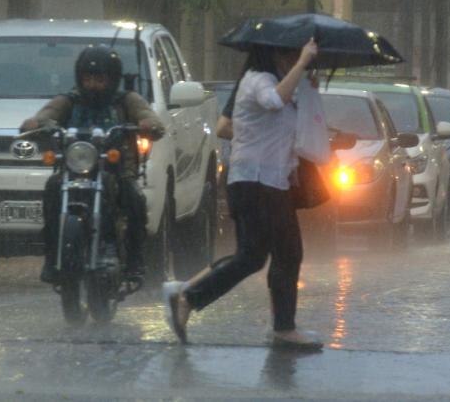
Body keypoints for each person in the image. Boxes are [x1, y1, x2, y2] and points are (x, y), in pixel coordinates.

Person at [163, 38, 323, 350]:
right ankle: (191, 299)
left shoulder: (282, 85)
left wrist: (309, 83)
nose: (293, 58)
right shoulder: (256, 80)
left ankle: (191, 299)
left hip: (273, 183)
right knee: (268, 255)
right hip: (254, 183)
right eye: (289, 51)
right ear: (273, 51)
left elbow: (288, 131)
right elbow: (273, 102)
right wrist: (303, 63)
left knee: (266, 256)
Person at [20, 45, 164, 283]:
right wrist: (35, 124)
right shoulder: (69, 100)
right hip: (74, 170)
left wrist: (149, 124)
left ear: (112, 78)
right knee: (52, 189)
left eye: (99, 79)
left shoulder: (127, 100)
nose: (93, 84)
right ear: (80, 77)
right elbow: (47, 115)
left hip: (117, 170)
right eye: (88, 78)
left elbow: (149, 117)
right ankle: (51, 256)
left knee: (135, 200)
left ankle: (135, 259)